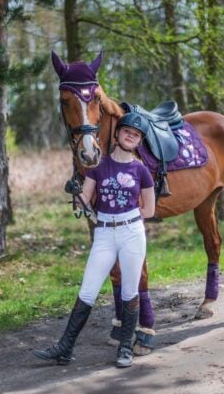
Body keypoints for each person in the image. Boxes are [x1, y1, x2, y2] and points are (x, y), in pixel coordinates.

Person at [33, 112, 156, 368]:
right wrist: (75, 193)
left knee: (130, 290)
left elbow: (150, 210)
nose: (130, 136)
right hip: (103, 233)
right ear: (117, 134)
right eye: (126, 131)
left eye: (135, 134)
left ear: (139, 140)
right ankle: (65, 348)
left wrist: (128, 219)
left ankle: (125, 348)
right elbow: (84, 203)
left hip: (131, 232)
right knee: (88, 290)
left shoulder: (141, 170)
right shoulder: (98, 168)